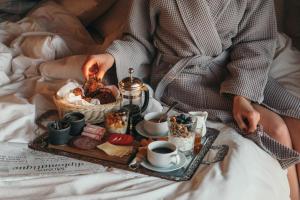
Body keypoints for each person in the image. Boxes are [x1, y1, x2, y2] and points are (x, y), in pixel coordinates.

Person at [82, 1, 300, 199]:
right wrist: (111, 57)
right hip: (182, 79)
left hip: (234, 70)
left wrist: (241, 95)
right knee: (276, 129)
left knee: (297, 120)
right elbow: (139, 41)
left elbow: (255, 43)